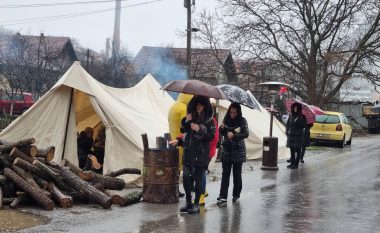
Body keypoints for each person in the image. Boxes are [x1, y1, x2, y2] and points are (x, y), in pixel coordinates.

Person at [177, 95, 215, 214]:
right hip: (188, 152)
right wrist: (187, 121)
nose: (199, 107)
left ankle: (196, 204)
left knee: (198, 179)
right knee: (186, 177)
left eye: (201, 105)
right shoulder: (191, 117)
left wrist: (200, 129)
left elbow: (211, 137)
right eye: (197, 104)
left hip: (201, 154)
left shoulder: (209, 120)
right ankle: (188, 201)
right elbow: (183, 131)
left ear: (205, 106)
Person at [217, 102, 249, 203]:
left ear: (238, 112)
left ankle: (236, 194)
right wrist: (221, 129)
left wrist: (234, 135)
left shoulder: (242, 121)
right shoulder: (226, 119)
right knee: (225, 173)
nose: (232, 114)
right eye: (231, 112)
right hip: (226, 149)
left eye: (234, 113)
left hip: (238, 150)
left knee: (237, 174)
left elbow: (246, 134)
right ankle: (223, 195)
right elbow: (222, 132)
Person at [168, 93, 193, 198]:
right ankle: (177, 189)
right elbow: (186, 127)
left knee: (174, 167)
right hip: (181, 142)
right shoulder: (184, 109)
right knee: (181, 168)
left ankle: (174, 189)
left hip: (172, 140)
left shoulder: (173, 106)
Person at [199, 110, 219, 205]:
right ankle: (204, 190)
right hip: (200, 150)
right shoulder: (199, 119)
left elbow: (214, 138)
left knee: (201, 171)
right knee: (199, 172)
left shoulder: (211, 121)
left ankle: (201, 195)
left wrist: (205, 143)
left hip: (208, 150)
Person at [286, 103, 307, 169]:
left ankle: (296, 164)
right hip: (291, 135)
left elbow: (304, 125)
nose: (295, 109)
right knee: (291, 149)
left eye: (296, 108)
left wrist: (297, 122)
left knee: (298, 150)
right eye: (294, 108)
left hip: (298, 135)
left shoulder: (302, 116)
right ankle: (292, 162)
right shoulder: (291, 115)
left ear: (299, 108)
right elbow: (288, 124)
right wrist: (287, 131)